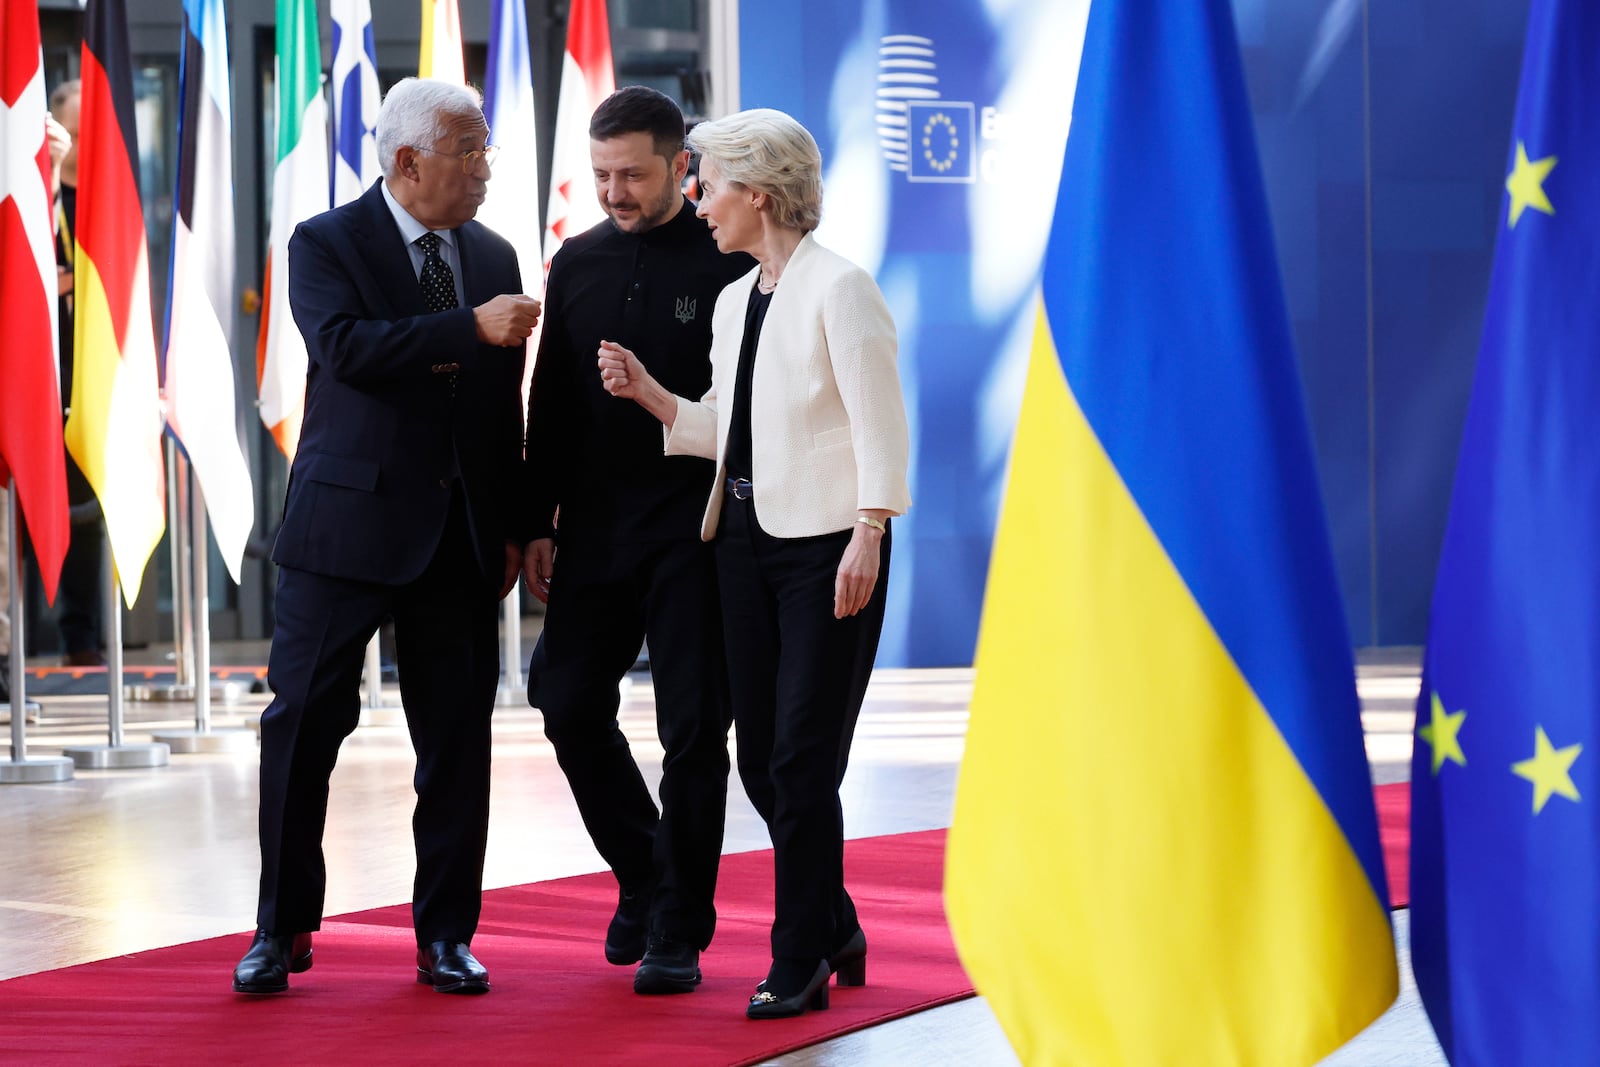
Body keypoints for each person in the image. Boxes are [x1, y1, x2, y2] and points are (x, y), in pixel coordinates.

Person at [597, 108, 911, 1019]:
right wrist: (654, 396)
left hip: (828, 551)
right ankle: (838, 922)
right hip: (739, 545)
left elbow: (879, 424)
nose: (698, 202)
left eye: (710, 184)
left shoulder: (841, 288)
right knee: (765, 763)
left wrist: (870, 529)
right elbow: (727, 432)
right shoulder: (737, 300)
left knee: (802, 761)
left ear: (759, 195)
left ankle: (800, 959)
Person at [231, 78, 541, 997]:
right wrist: (465, 328)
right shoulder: (325, 241)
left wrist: (520, 524)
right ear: (410, 162)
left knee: (457, 744)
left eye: (486, 148)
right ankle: (279, 927)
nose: (486, 168)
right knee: (300, 730)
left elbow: (499, 409)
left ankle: (446, 933)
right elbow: (346, 349)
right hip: (345, 528)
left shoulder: (491, 251)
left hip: (458, 537)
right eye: (471, 151)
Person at [521, 86, 753, 995]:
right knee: (566, 698)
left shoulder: (727, 259)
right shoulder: (574, 261)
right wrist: (536, 520)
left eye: (633, 174)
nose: (615, 190)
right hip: (595, 530)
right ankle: (647, 872)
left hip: (696, 528)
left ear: (680, 167)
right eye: (602, 173)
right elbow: (553, 405)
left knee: (694, 729)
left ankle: (677, 925)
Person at [48, 79, 105, 668]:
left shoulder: (105, 198)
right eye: (77, 134)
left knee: (87, 514)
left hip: (92, 379)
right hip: (41, 375)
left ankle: (79, 636)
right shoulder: (40, 196)